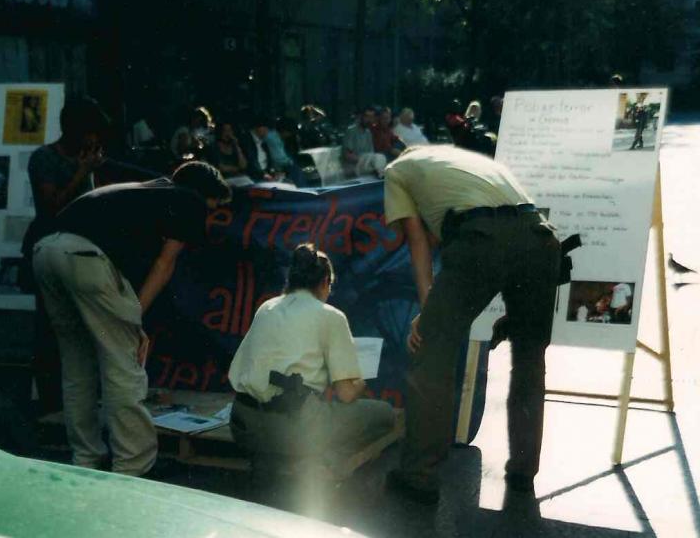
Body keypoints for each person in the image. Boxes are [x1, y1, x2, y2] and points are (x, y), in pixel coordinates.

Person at [382, 145, 561, 503]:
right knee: (529, 360)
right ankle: (524, 473)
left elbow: (418, 241)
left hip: (482, 237)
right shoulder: (466, 162)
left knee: (432, 349)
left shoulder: (398, 170)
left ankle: (420, 476)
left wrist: (427, 312)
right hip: (541, 238)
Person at [32, 161, 231, 476]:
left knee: (77, 364)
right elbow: (164, 265)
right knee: (123, 365)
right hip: (85, 258)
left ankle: (85, 458)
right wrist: (135, 318)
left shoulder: (145, 192)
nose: (209, 215)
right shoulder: (187, 199)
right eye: (212, 207)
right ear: (202, 194)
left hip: (45, 252)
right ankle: (132, 466)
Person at [228, 243, 395, 482]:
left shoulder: (266, 308)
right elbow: (347, 394)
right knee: (385, 415)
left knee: (307, 414)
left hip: (243, 426)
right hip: (293, 429)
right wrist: (359, 382)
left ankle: (275, 459)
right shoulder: (331, 316)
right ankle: (321, 464)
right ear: (325, 281)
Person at [23, 97, 110, 413]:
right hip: (48, 246)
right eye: (91, 133)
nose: (95, 141)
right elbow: (52, 207)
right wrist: (81, 172)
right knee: (49, 327)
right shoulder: (44, 158)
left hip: (81, 249)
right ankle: (48, 402)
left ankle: (81, 398)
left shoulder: (87, 158)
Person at [342, 106, 387, 177]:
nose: (369, 120)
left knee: (381, 157)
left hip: (366, 164)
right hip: (354, 166)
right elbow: (347, 155)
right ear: (361, 117)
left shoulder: (368, 132)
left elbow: (371, 153)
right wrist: (363, 160)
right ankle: (381, 174)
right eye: (367, 117)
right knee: (378, 158)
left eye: (371, 117)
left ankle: (381, 175)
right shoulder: (351, 131)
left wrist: (369, 161)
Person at [240, 114, 277, 182]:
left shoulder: (264, 141)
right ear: (257, 127)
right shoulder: (246, 140)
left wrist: (273, 172)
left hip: (265, 175)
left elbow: (269, 160)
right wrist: (263, 175)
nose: (267, 131)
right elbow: (251, 161)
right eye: (265, 128)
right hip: (253, 177)